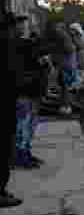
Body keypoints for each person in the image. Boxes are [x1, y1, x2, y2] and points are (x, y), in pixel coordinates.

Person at [12, 16, 48, 170]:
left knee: (29, 125)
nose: (24, 26)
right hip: (23, 91)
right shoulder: (15, 45)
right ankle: (20, 156)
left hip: (33, 90)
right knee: (23, 126)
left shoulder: (27, 43)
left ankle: (25, 153)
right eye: (21, 24)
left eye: (24, 24)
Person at [1, 12, 24, 207]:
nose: (20, 27)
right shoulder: (6, 46)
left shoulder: (11, 45)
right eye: (17, 24)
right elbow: (12, 77)